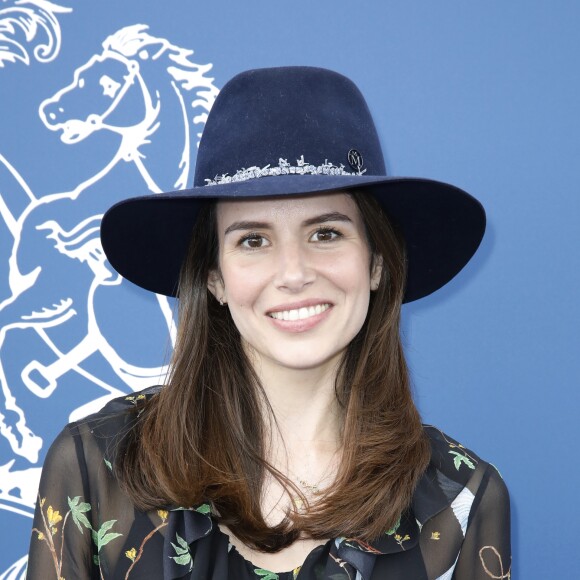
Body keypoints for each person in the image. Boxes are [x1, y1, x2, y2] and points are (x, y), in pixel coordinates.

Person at [27, 66, 511, 579]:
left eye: (325, 233)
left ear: (376, 263)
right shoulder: (96, 466)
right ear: (214, 276)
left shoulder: (460, 499)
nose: (294, 273)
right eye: (253, 241)